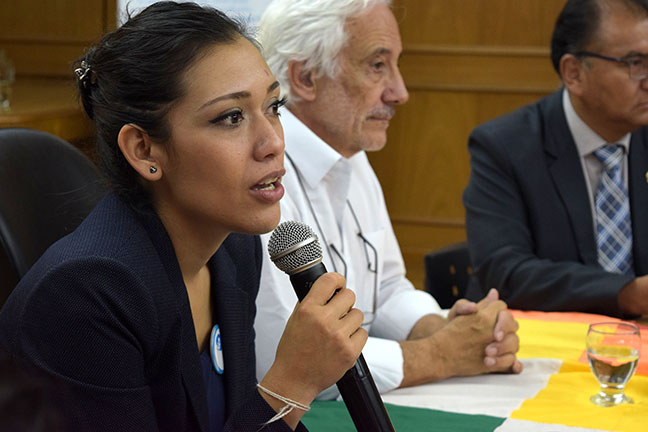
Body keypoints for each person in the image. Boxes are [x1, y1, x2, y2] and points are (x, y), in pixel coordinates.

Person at [0, 2, 368, 431]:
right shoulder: (86, 296)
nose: (272, 143)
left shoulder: (234, 248)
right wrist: (291, 383)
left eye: (273, 107)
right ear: (144, 150)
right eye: (231, 117)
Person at [254, 0, 522, 400]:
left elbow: (388, 286)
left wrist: (445, 329)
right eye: (378, 66)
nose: (401, 92)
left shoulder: (351, 152)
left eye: (396, 65)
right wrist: (439, 355)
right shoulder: (259, 173)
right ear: (306, 76)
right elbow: (285, 355)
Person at [463, 0, 648, 317]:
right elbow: (505, 271)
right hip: (538, 344)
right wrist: (625, 294)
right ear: (574, 73)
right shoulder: (504, 146)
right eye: (635, 63)